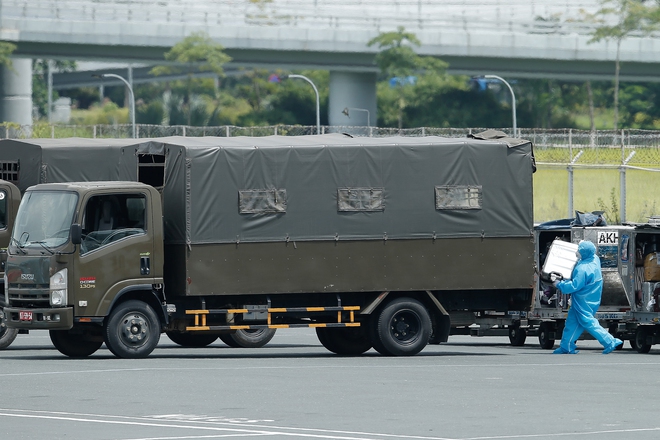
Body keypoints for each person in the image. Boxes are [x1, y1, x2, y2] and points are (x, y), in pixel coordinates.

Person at [552, 240, 623, 354]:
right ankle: (566, 346)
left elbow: (574, 285)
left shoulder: (582, 269)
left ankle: (610, 341)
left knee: (588, 322)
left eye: (579, 250)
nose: (576, 252)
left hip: (583, 299)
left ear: (583, 253)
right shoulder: (594, 259)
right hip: (592, 296)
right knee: (572, 322)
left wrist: (559, 284)